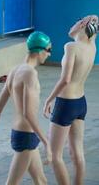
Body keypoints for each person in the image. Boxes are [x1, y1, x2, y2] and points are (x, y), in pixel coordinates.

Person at [0, 31, 53, 185]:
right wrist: (46, 142)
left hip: (22, 135)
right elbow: (28, 114)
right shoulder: (30, 74)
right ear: (39, 50)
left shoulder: (14, 71)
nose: (50, 54)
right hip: (26, 137)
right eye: (49, 50)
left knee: (41, 181)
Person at [43, 15, 98, 185]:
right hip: (80, 103)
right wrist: (92, 20)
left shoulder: (71, 47)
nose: (73, 23)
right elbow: (92, 26)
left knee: (55, 154)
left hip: (65, 104)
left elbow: (65, 79)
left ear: (82, 24)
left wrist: (48, 99)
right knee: (77, 154)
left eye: (77, 21)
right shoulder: (92, 46)